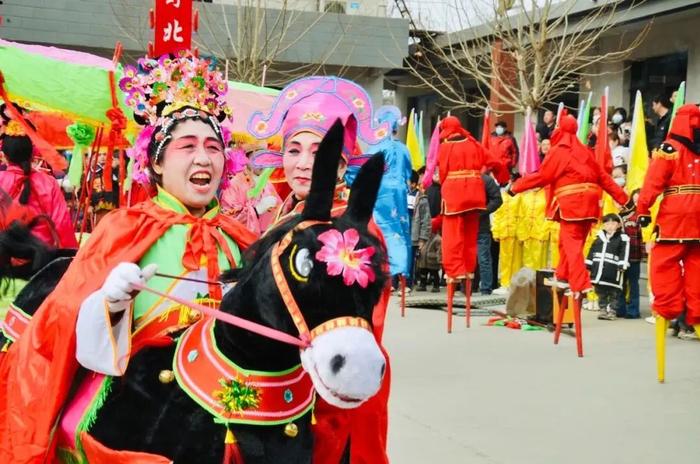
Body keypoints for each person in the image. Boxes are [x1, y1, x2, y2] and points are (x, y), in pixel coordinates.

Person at [0, 52, 257, 462]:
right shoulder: (125, 227)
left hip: (228, 414)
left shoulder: (241, 238)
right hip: (139, 408)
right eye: (187, 146)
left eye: (213, 147)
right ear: (155, 162)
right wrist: (111, 303)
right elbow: (69, 327)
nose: (203, 158)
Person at [248, 75, 392, 464]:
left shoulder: (353, 227)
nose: (303, 163)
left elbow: (362, 317)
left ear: (341, 163)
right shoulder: (288, 212)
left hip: (335, 375)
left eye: (318, 152)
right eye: (293, 150)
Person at [509, 114, 629, 297]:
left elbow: (543, 176)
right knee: (570, 244)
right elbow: (604, 178)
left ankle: (580, 282)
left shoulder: (560, 151)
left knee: (570, 243)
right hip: (590, 204)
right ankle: (564, 274)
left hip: (573, 203)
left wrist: (516, 187)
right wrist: (625, 201)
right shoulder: (586, 151)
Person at [636, 103, 700, 336]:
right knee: (697, 266)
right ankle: (697, 311)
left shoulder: (668, 149)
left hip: (675, 217)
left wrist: (643, 211)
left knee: (664, 261)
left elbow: (652, 184)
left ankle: (669, 307)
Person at [438, 116, 508, 294]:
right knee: (471, 234)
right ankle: (468, 268)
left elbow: (444, 171)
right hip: (475, 193)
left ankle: (454, 269)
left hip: (455, 193)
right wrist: (503, 178)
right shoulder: (474, 143)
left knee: (452, 234)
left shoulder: (446, 146)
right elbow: (494, 161)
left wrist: (445, 190)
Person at [0, 115, 77, 248]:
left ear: (4, 156)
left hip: (6, 257)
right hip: (43, 258)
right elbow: (62, 224)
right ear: (32, 154)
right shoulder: (48, 182)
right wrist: (70, 255)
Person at [368, 105, 412, 293]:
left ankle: (384, 275)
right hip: (400, 191)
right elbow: (409, 171)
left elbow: (366, 170)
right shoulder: (403, 148)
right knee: (401, 230)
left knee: (380, 229)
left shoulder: (376, 148)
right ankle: (402, 276)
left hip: (380, 191)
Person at [220, 147, 281, 236]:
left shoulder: (267, 184)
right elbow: (228, 220)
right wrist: (256, 211)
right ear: (247, 159)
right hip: (243, 243)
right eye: (258, 158)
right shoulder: (234, 184)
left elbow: (280, 211)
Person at [586, 214, 630, 321]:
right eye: (607, 224)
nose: (610, 226)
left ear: (618, 225)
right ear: (603, 225)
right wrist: (588, 264)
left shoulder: (622, 238)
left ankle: (612, 311)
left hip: (614, 271)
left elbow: (624, 252)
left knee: (614, 293)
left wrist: (622, 264)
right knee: (600, 292)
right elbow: (592, 251)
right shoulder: (598, 238)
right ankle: (603, 310)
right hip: (599, 271)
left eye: (613, 224)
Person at [476, 173, 503, 295]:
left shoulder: (485, 180)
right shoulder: (463, 177)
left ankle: (486, 288)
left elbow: (498, 199)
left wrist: (484, 211)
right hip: (466, 225)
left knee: (483, 258)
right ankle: (467, 287)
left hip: (481, 226)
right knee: (470, 258)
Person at [619, 188, 644, 319]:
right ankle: (620, 308)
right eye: (634, 198)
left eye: (639, 198)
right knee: (621, 283)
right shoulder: (623, 214)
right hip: (623, 255)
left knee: (633, 283)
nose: (636, 201)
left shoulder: (645, 215)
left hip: (635, 255)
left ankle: (634, 311)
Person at [412, 179, 433, 291]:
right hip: (404, 234)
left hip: (416, 234)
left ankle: (411, 283)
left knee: (417, 260)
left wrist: (423, 237)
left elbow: (426, 220)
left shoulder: (422, 199)